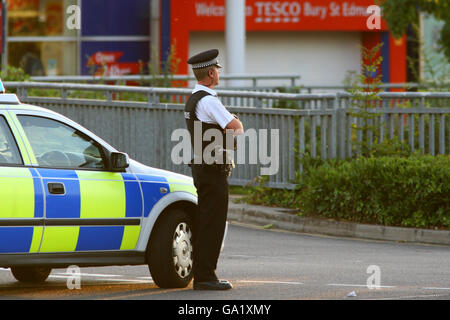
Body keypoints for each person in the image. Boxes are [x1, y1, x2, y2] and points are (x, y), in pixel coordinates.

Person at [185, 49, 243, 290]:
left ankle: (202, 272)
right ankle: (206, 276)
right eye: (216, 69)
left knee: (206, 220)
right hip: (213, 169)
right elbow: (235, 127)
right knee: (213, 223)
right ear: (210, 72)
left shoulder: (193, 98)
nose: (218, 73)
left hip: (203, 165)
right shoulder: (209, 100)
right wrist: (236, 121)